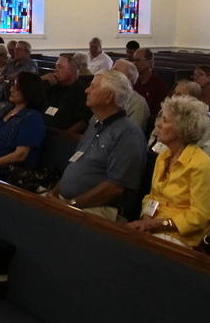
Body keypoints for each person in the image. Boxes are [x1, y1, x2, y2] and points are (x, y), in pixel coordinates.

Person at [47, 70, 146, 221]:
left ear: (108, 97)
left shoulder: (128, 134)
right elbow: (76, 164)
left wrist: (71, 205)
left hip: (98, 209)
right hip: (69, 203)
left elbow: (115, 188)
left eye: (93, 86)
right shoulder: (95, 124)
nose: (86, 90)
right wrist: (53, 194)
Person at [127, 96, 210, 248]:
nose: (158, 125)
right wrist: (145, 221)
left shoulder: (200, 164)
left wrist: (155, 225)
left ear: (183, 128)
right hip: (155, 228)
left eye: (165, 121)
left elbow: (201, 216)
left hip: (182, 237)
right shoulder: (164, 156)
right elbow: (153, 196)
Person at [41, 55, 90, 134]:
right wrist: (41, 80)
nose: (55, 70)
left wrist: (64, 136)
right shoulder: (52, 86)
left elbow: (82, 122)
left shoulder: (81, 92)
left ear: (72, 70)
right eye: (55, 67)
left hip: (60, 137)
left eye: (60, 67)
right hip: (42, 131)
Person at [112, 58, 150, 131]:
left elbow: (130, 134)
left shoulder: (138, 103)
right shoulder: (106, 94)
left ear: (128, 79)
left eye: (115, 72)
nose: (110, 75)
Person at [132, 48, 169, 119]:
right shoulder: (133, 81)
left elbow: (159, 114)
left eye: (138, 60)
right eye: (133, 60)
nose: (134, 63)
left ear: (150, 62)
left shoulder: (159, 86)